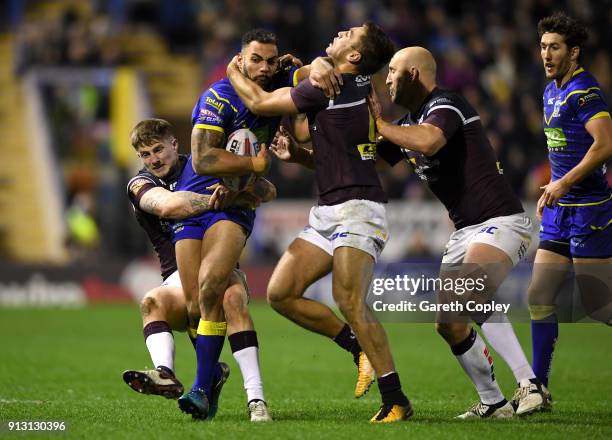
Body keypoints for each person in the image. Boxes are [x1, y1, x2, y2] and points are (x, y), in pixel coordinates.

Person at [226, 23, 413, 423]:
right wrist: (300, 155)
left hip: (359, 209)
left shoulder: (331, 84)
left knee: (349, 300)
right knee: (280, 293)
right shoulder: (349, 83)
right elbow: (327, 142)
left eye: (350, 33)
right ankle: (357, 349)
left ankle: (396, 398)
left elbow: (259, 103)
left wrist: (232, 71)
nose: (342, 31)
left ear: (355, 55)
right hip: (329, 210)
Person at [173, 28, 349, 421]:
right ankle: (213, 376)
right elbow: (202, 160)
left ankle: (200, 388)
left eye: (271, 60)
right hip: (194, 199)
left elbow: (306, 79)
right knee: (192, 308)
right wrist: (255, 164)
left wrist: (317, 65)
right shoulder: (217, 96)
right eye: (256, 59)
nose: (265, 67)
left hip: (235, 203)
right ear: (240, 59)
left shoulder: (280, 79)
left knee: (211, 285)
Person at [370, 46, 548, 418]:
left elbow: (430, 141)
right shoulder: (408, 123)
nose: (387, 79)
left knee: (468, 293)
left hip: (500, 220)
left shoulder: (447, 104)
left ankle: (530, 385)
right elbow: (370, 163)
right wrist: (303, 155)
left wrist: (381, 124)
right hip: (466, 230)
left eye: (393, 71)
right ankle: (494, 401)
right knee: (449, 324)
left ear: (414, 73)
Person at [122, 118, 277, 422]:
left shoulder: (204, 164)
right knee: (151, 303)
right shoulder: (139, 183)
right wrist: (223, 199)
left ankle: (256, 400)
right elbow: (168, 207)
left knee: (230, 297)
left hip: (223, 269)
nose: (153, 159)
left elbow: (267, 190)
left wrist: (245, 185)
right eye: (145, 154)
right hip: (177, 279)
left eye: (158, 150)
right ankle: (167, 374)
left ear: (174, 145)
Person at [528, 12, 612, 395]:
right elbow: (564, 150)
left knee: (599, 306)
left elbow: (604, 145)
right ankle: (537, 390)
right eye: (543, 46)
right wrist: (552, 188)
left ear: (573, 52)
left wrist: (562, 183)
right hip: (560, 210)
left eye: (555, 47)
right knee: (539, 297)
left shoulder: (585, 92)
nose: (546, 54)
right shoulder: (550, 91)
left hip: (589, 209)